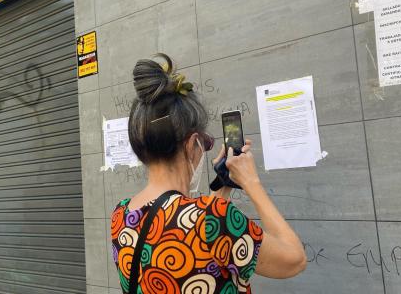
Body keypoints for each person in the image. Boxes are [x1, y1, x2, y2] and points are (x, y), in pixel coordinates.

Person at [110, 54, 306, 294]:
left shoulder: (121, 216)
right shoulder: (213, 218)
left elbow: (198, 245)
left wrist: (223, 187)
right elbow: (294, 260)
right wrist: (251, 182)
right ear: (193, 144)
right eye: (206, 142)